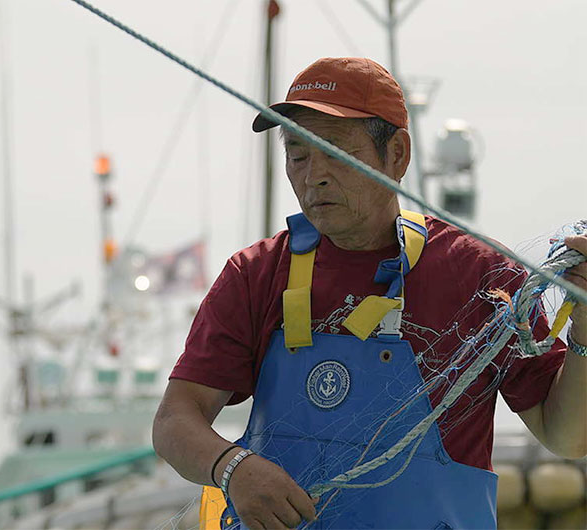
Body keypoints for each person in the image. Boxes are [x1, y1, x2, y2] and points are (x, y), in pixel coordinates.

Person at [151, 57, 587, 530]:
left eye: (333, 150)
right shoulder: (254, 274)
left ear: (396, 154)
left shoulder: (483, 275)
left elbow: (566, 437)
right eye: (297, 154)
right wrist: (231, 468)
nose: (312, 174)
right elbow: (176, 419)